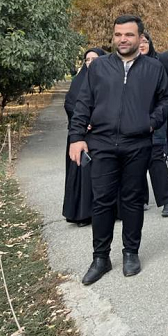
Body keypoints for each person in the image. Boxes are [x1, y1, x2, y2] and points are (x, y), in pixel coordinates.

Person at [69, 14, 168, 285]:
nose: (122, 39)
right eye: (118, 34)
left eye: (128, 34)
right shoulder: (99, 67)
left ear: (140, 37)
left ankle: (131, 253)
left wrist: (150, 123)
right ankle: (100, 258)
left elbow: (166, 98)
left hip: (137, 144)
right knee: (101, 201)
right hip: (102, 143)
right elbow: (83, 103)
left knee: (132, 200)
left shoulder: (154, 68)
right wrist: (76, 137)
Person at [63, 47, 106, 226]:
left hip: (101, 133)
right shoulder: (78, 81)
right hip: (80, 135)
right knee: (82, 174)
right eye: (87, 60)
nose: (90, 63)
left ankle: (108, 211)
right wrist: (82, 122)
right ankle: (82, 214)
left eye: (94, 59)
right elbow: (70, 104)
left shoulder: (109, 79)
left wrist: (95, 120)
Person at [139, 32, 168, 217]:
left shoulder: (158, 63)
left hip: (156, 120)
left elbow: (166, 95)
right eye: (139, 41)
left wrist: (156, 119)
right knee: (136, 160)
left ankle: (167, 201)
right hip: (135, 121)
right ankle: (141, 199)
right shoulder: (127, 65)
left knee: (156, 161)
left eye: (145, 41)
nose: (142, 44)